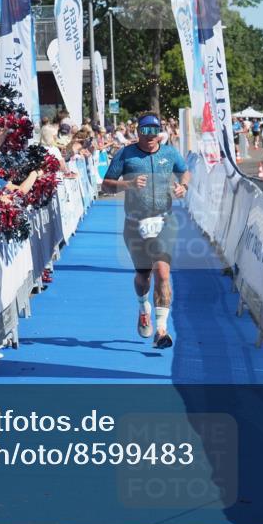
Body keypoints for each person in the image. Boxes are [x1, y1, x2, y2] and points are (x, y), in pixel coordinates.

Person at [102, 113, 190, 350]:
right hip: (135, 224)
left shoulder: (169, 152)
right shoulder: (125, 154)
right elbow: (106, 185)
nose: (150, 136)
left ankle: (161, 330)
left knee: (162, 272)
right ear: (137, 131)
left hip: (164, 221)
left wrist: (184, 186)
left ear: (160, 132)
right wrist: (127, 184)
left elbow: (184, 171)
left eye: (154, 130)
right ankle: (143, 307)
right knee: (144, 276)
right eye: (145, 131)